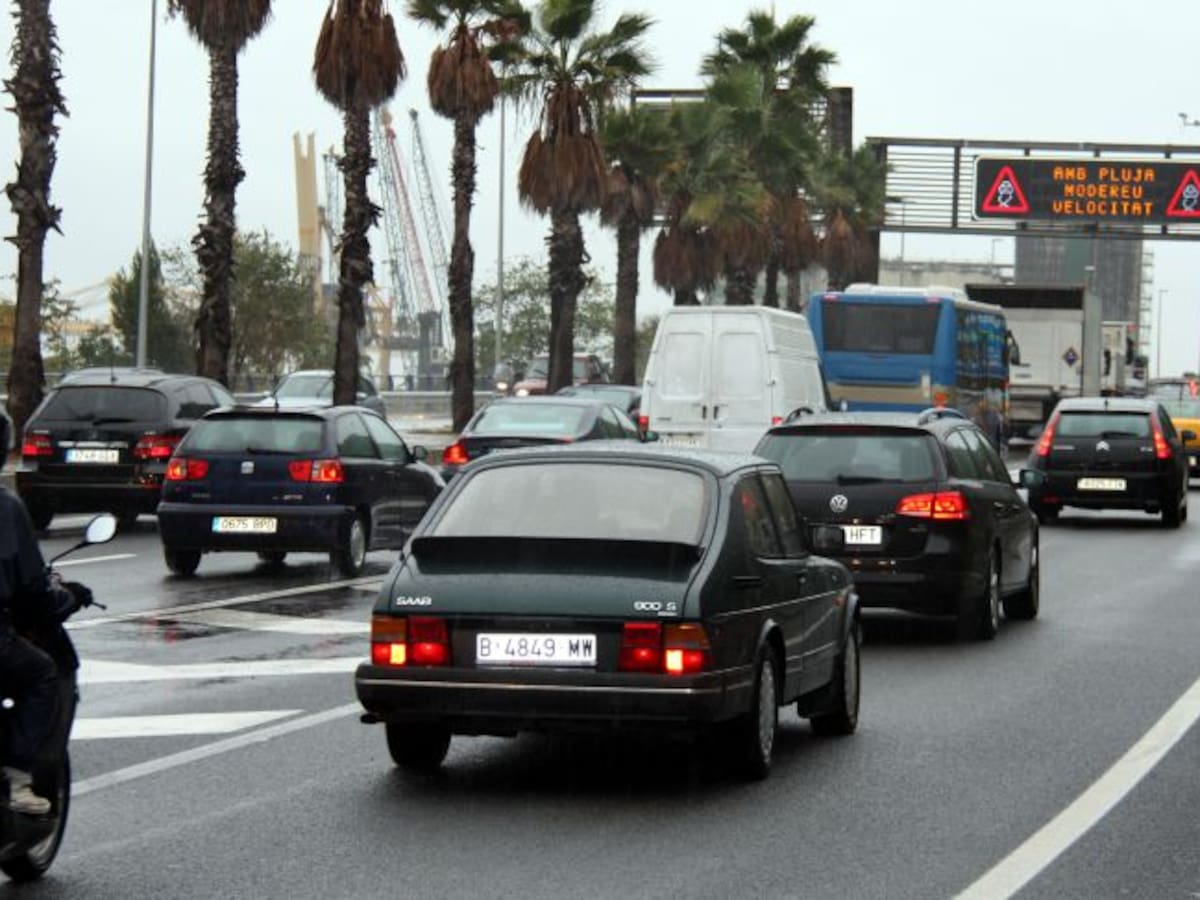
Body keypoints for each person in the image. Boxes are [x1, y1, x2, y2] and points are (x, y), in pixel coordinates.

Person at [0, 410, 88, 815]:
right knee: (42, 673)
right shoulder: (5, 508)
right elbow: (33, 591)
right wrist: (67, 597)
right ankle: (18, 778)